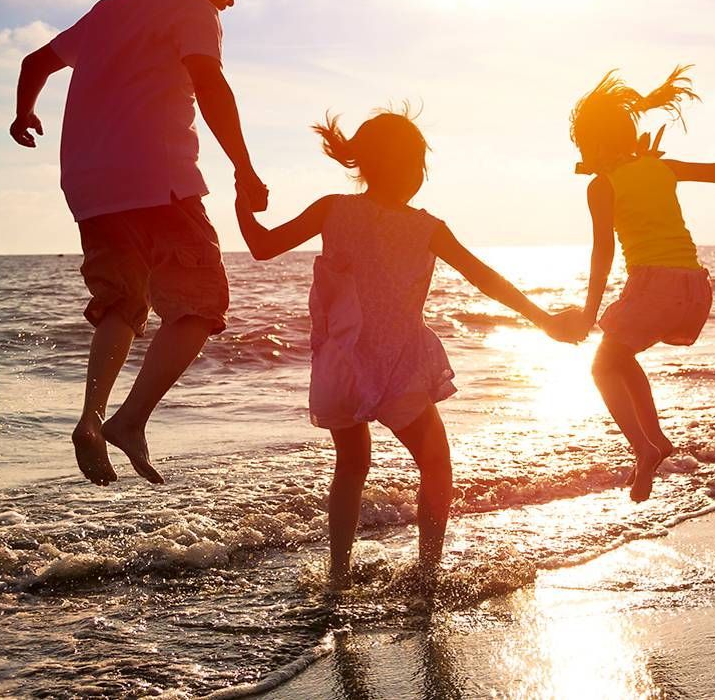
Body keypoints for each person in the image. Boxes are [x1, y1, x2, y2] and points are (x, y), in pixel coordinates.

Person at [235, 109, 574, 593]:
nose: (420, 173)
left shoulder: (332, 208)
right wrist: (544, 320)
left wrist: (241, 200)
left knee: (352, 466)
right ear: (405, 167)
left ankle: (338, 576)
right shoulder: (427, 227)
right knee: (435, 462)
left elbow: (263, 246)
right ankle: (428, 573)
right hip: (397, 365)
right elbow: (485, 279)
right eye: (417, 163)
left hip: (342, 366)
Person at [8, 0, 270, 486]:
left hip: (91, 189)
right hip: (160, 180)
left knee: (122, 303)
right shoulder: (194, 9)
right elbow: (211, 83)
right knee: (202, 304)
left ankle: (91, 416)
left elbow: (35, 63)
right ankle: (130, 420)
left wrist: (23, 114)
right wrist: (244, 168)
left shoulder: (108, 11)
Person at [557, 66, 715, 502]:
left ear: (596, 144)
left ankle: (644, 447)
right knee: (619, 356)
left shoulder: (601, 186)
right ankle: (654, 440)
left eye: (583, 145)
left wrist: (589, 312)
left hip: (654, 287)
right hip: (695, 289)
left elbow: (602, 253)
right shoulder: (661, 167)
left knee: (601, 367)